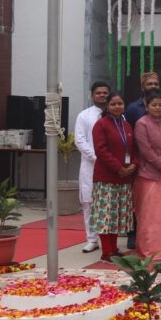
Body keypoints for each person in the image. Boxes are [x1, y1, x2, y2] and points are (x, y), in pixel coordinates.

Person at [90, 92, 138, 261]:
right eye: (113, 104)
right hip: (107, 178)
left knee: (118, 214)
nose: (117, 107)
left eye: (120, 104)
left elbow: (134, 150)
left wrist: (133, 164)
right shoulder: (101, 125)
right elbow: (101, 150)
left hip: (125, 178)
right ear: (108, 106)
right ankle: (106, 252)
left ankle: (115, 248)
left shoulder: (126, 125)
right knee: (106, 216)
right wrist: (119, 168)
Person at [132, 91, 161, 260]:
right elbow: (146, 150)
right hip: (148, 176)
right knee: (150, 215)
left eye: (160, 105)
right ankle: (149, 250)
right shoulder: (141, 124)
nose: (157, 108)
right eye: (154, 105)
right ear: (147, 106)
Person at [74, 80, 110, 253]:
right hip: (91, 165)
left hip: (111, 166)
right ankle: (92, 239)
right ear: (92, 95)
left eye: (105, 93)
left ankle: (110, 240)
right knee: (89, 202)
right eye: (99, 93)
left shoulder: (117, 114)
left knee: (109, 202)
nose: (102, 95)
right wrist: (96, 157)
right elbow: (79, 140)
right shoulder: (85, 116)